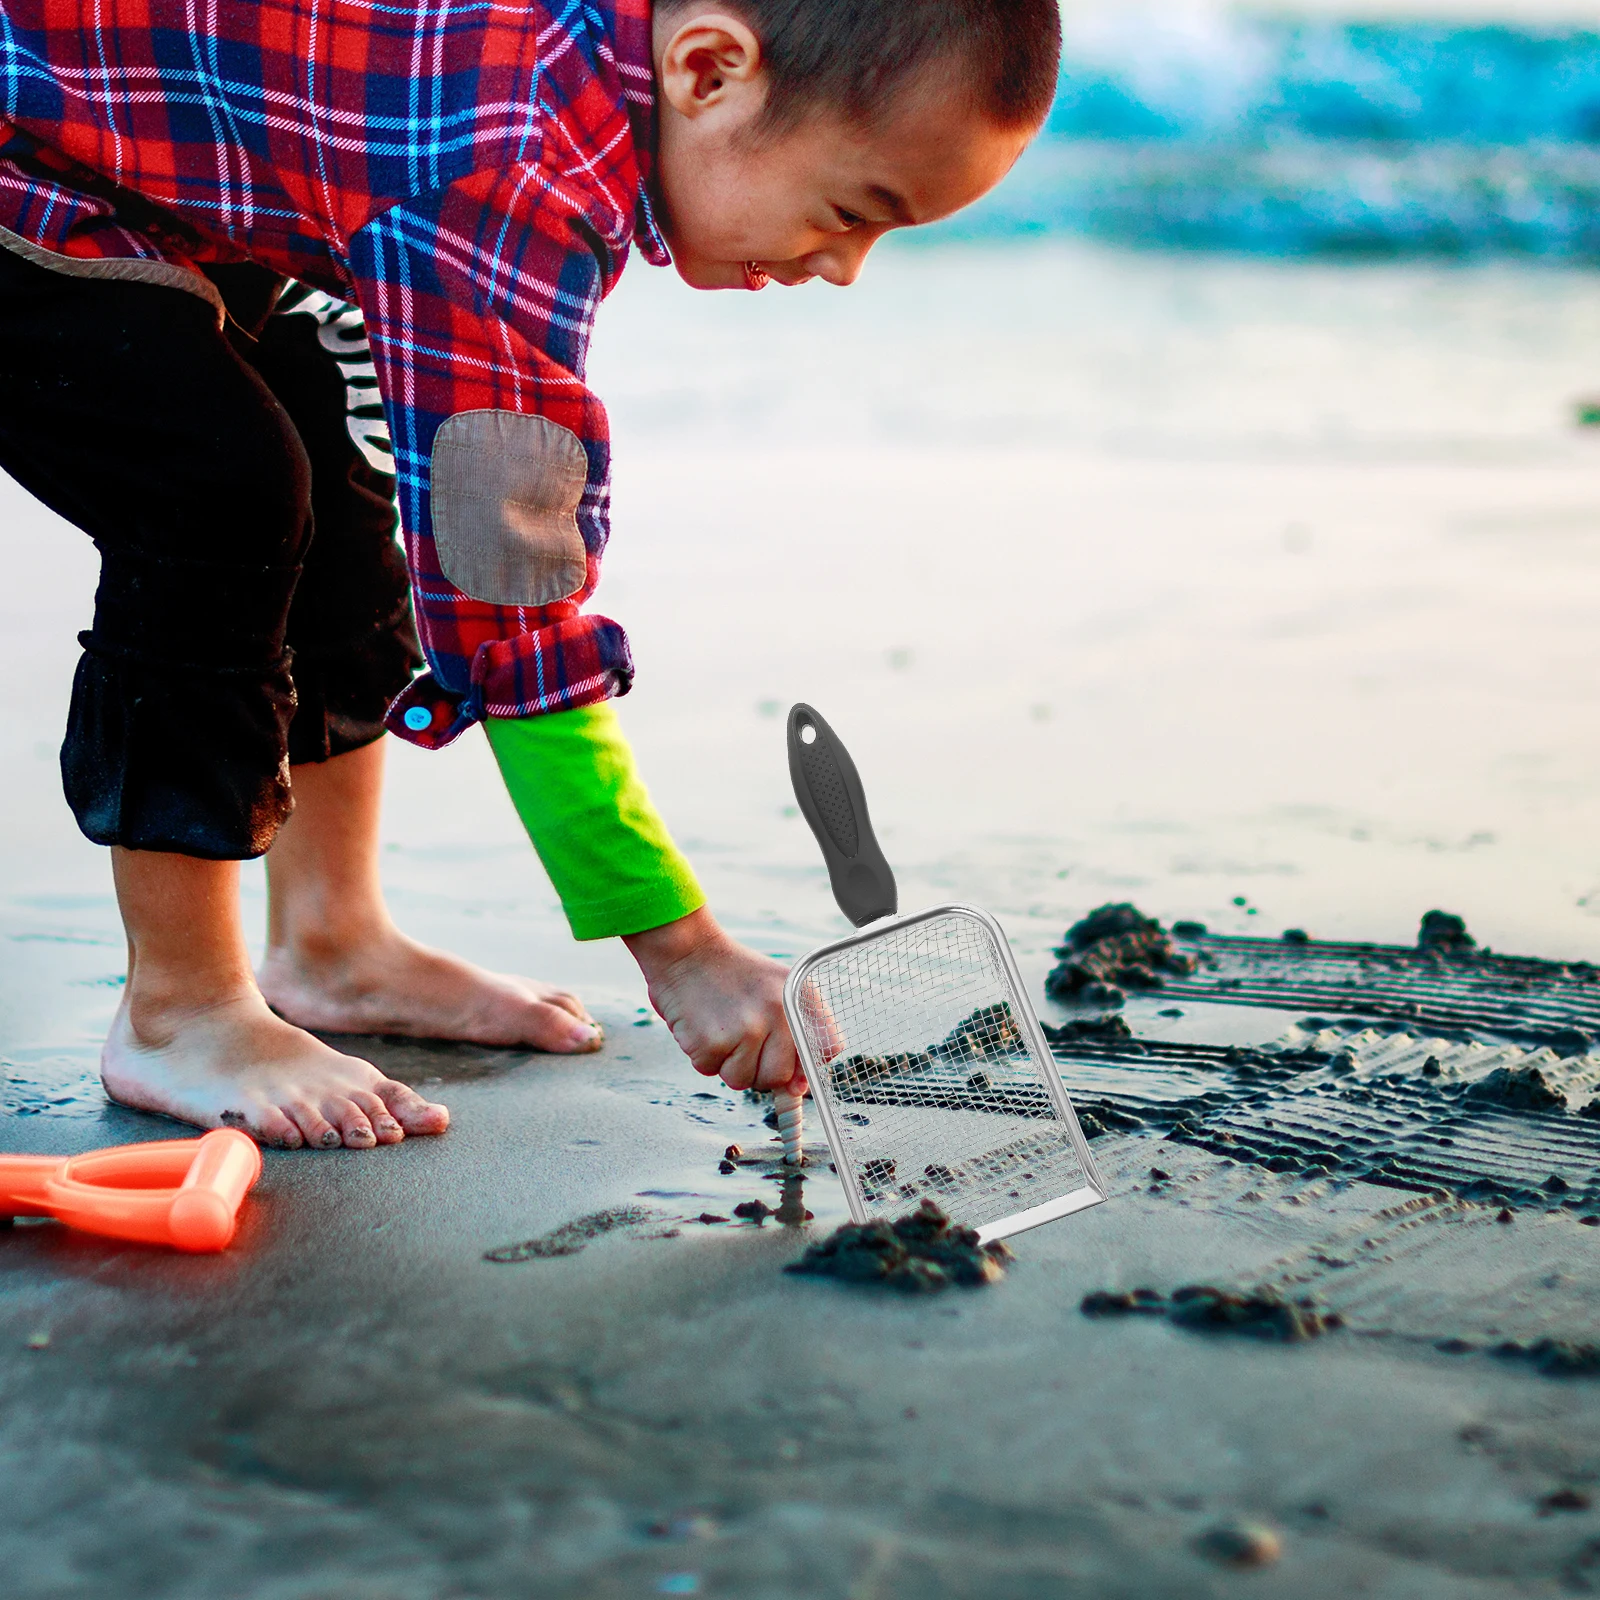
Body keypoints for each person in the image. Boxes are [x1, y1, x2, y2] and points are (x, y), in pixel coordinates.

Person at [0, 0, 1060, 1149]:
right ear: (708, 70)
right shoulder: (509, 171)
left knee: (335, 438)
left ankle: (331, 941)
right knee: (217, 490)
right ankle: (180, 1009)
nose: (847, 267)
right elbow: (508, 594)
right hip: (24, 161)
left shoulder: (569, 70)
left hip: (143, 167)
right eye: (852, 211)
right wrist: (680, 946)